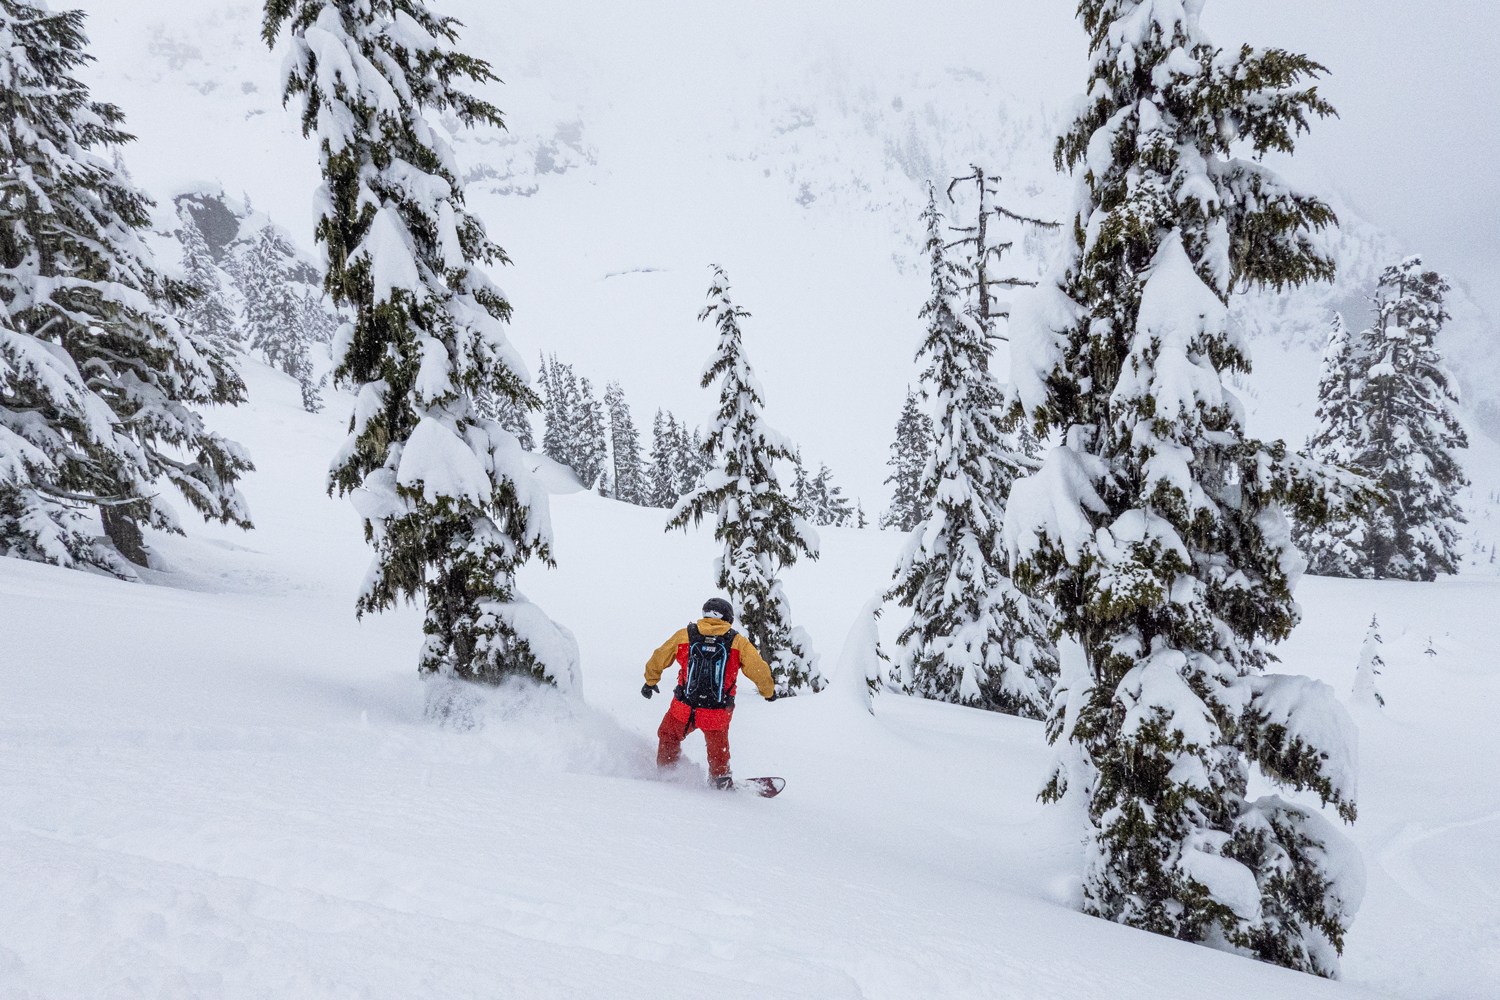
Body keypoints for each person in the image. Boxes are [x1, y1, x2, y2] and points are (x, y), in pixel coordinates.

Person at [642, 597, 776, 789]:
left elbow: (659, 656)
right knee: (718, 750)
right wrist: (768, 692)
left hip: (683, 707)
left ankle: (667, 774)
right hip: (717, 712)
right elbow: (758, 670)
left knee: (668, 735)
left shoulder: (685, 635)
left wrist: (650, 681)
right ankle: (720, 781)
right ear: (728, 618)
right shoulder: (737, 642)